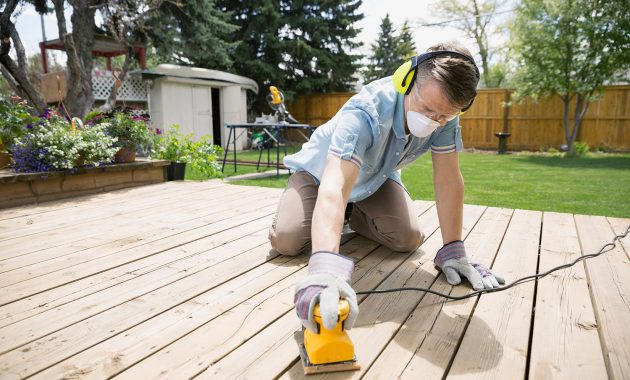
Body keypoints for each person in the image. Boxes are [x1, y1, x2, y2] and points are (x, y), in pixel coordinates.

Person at [268, 42, 505, 334]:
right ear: (405, 80)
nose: (434, 120)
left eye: (444, 115)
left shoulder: (446, 118)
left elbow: (448, 179)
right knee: (288, 241)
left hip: (374, 181)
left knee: (407, 238)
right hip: (319, 177)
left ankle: (346, 215)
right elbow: (335, 184)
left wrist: (454, 249)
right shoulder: (364, 112)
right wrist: (325, 271)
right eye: (427, 108)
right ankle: (312, 210)